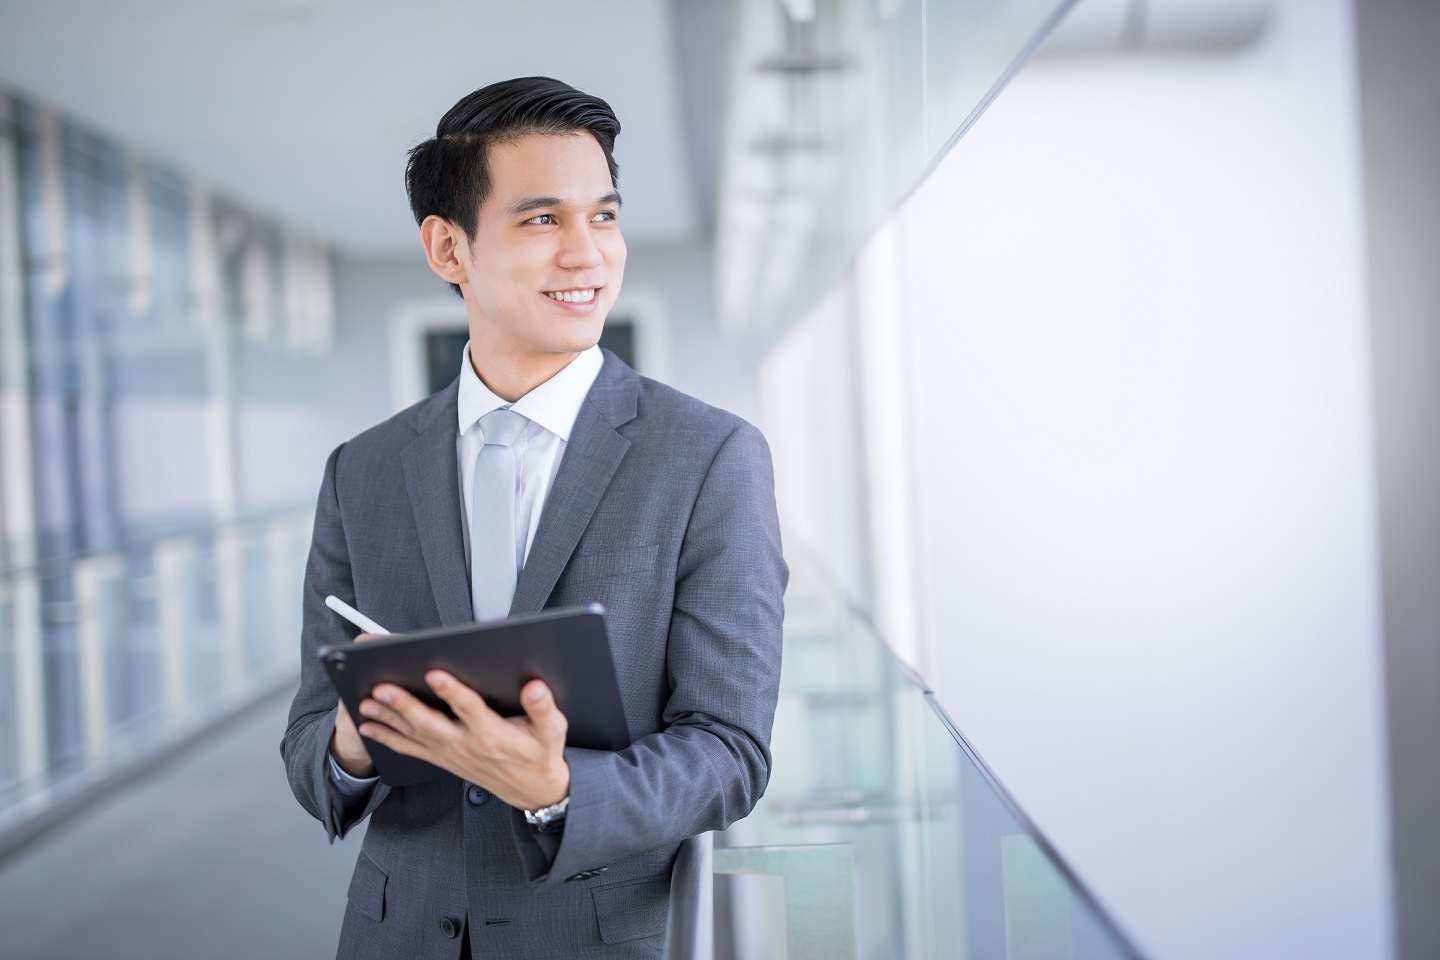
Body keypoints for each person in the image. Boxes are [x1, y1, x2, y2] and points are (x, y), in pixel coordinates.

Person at [280, 76, 787, 959]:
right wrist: (354, 742)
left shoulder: (709, 457)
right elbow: (308, 751)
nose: (588, 256)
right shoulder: (362, 471)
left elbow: (731, 751)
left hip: (597, 935)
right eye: (543, 220)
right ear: (448, 248)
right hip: (398, 934)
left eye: (604, 216)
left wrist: (556, 787)